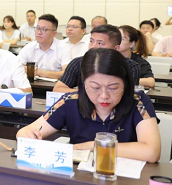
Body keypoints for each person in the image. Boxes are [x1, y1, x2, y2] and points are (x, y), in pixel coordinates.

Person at [17, 48, 160, 163]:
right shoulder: (70, 101)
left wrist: (93, 146)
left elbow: (152, 152)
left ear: (126, 84)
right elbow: (25, 132)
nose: (104, 96)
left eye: (113, 88)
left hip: (125, 179)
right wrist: (27, 135)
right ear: (83, 84)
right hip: (78, 177)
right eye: (95, 88)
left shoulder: (138, 102)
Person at [53, 25, 141, 92]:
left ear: (116, 48)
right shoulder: (78, 63)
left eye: (100, 43)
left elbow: (129, 95)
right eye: (91, 41)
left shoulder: (130, 66)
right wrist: (86, 94)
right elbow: (58, 89)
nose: (92, 46)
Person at [17, 14, 72, 79]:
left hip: (55, 85)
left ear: (54, 34)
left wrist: (40, 72)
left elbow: (67, 73)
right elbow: (15, 66)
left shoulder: (63, 48)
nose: (39, 32)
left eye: (44, 29)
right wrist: (26, 69)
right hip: (32, 84)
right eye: (37, 28)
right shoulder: (29, 47)